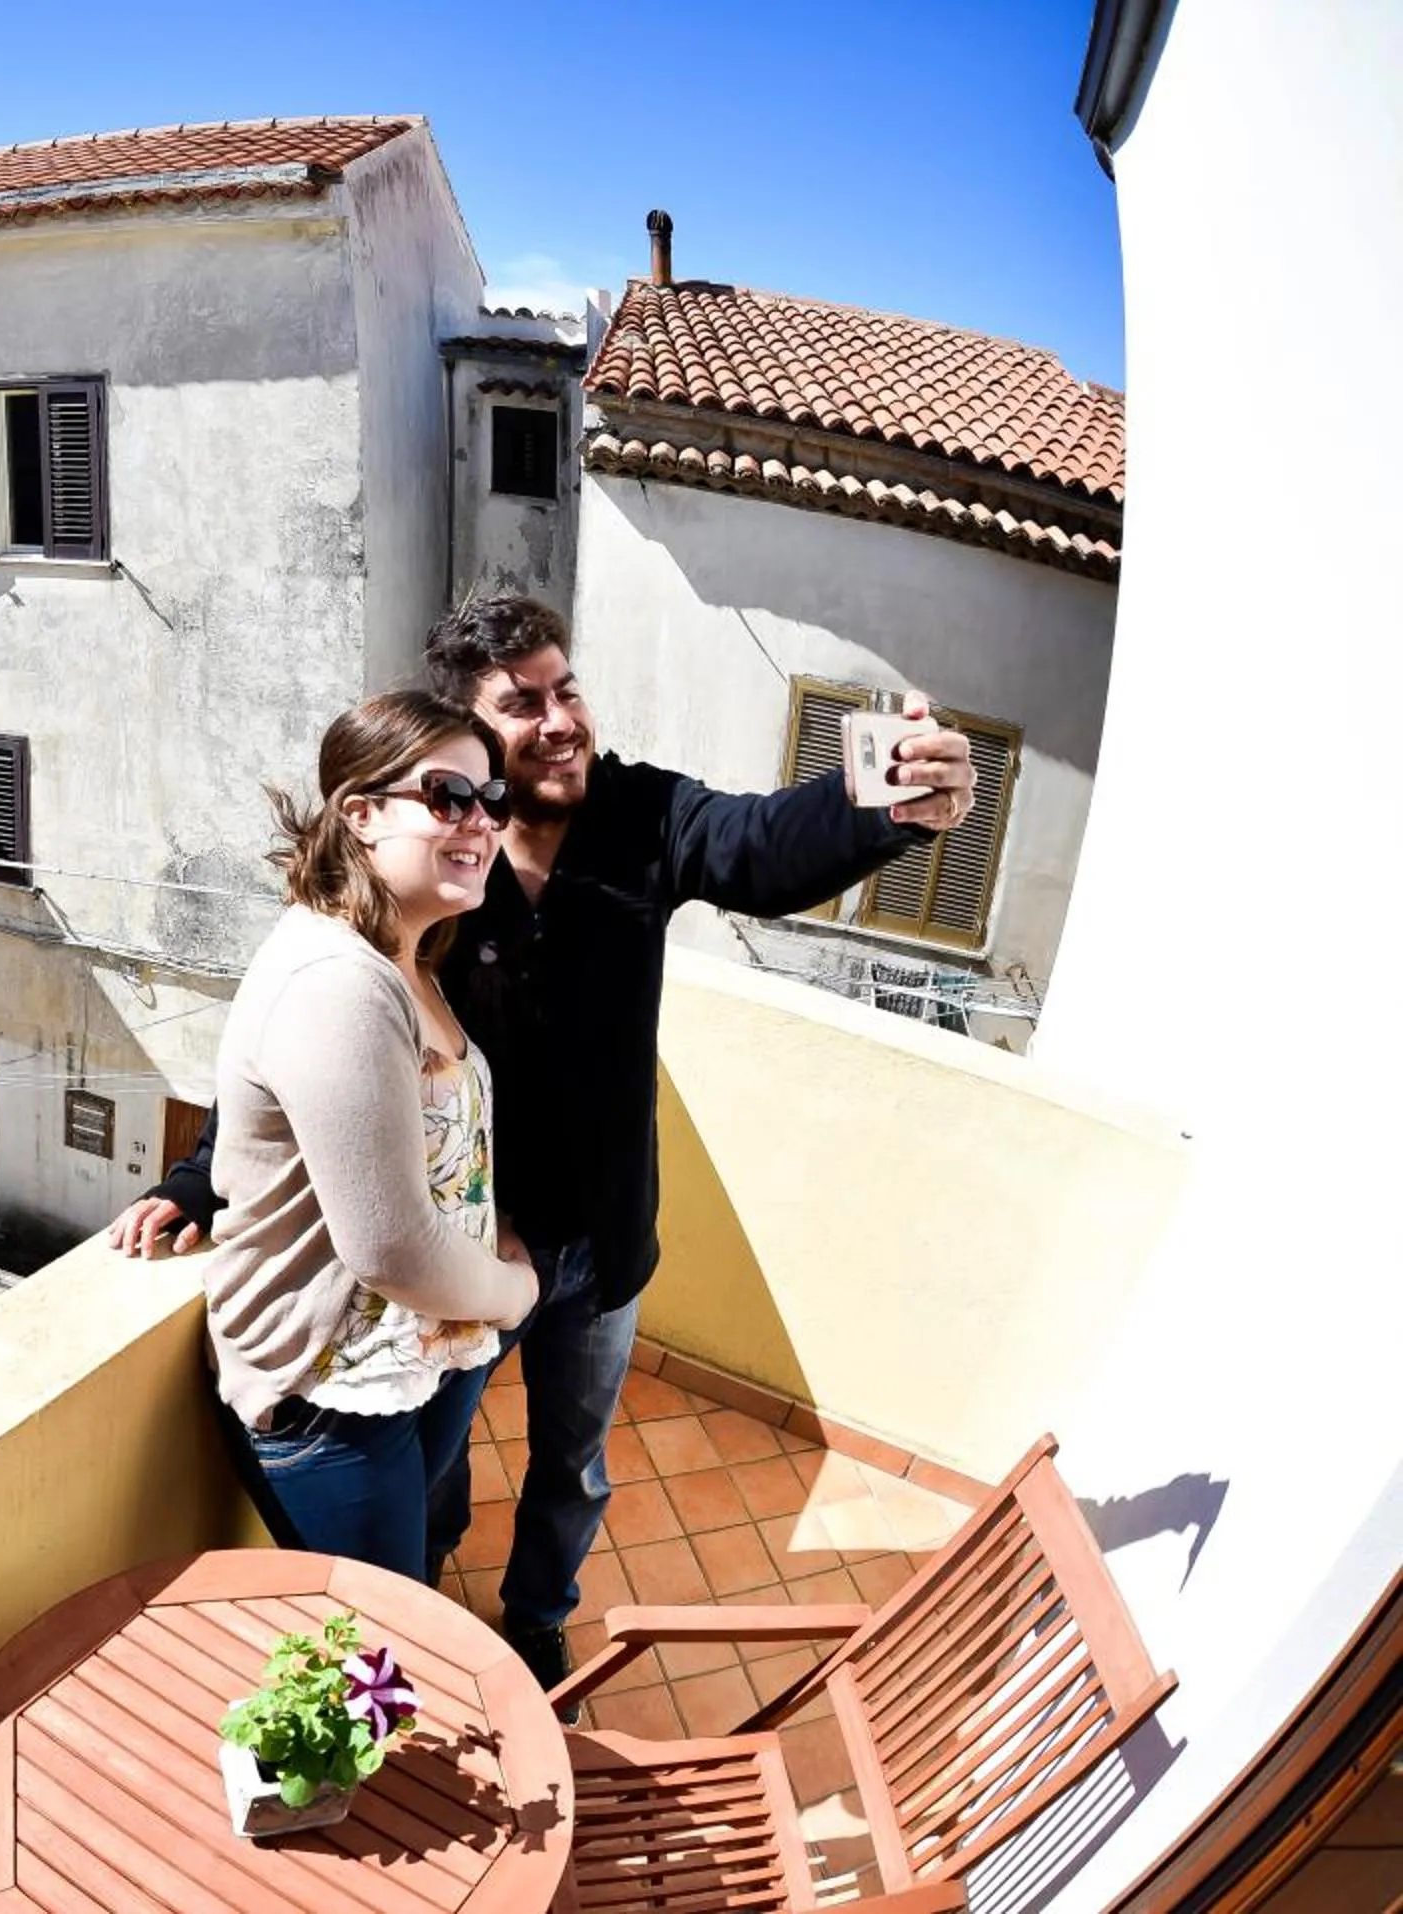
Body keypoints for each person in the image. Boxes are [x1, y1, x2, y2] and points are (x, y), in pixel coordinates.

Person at [112, 594, 975, 1706]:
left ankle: (534, 1624)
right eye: (523, 704)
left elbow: (763, 847)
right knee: (435, 1449)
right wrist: (198, 1180)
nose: (562, 718)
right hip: (472, 1256)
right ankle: (422, 1610)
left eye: (567, 689)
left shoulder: (643, 816)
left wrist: (883, 805)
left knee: (573, 1465)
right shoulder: (436, 887)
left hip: (600, 1250)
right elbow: (323, 1059)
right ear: (467, 737)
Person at [199, 688, 540, 1585]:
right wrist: (513, 1295)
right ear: (359, 812)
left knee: (412, 1586)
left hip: (415, 1357)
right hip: (335, 1394)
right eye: (448, 796)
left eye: (492, 801)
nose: (481, 821)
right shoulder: (336, 984)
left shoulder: (405, 960)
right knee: (377, 1646)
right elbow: (389, 1247)